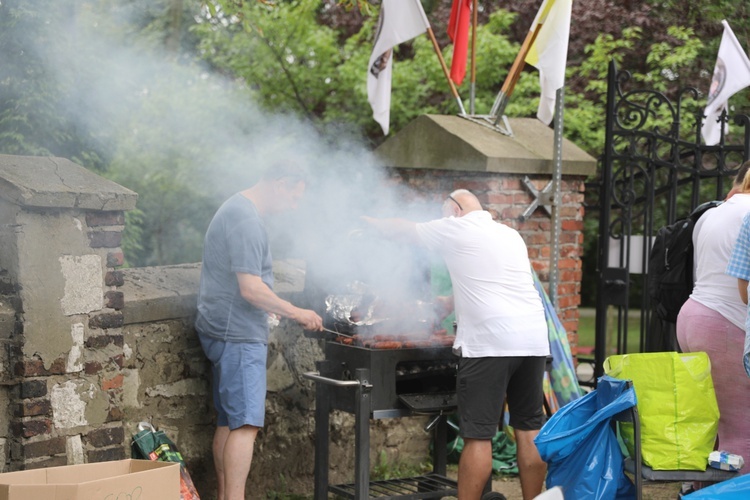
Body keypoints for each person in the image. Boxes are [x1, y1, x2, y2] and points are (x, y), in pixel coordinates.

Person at [362, 189, 549, 500]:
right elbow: (495, 282)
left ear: (455, 209)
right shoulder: (509, 234)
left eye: (443, 213)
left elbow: (401, 229)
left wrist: (365, 221)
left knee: (478, 436)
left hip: (489, 343)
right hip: (531, 340)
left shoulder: (456, 227)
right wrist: (450, 302)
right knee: (529, 428)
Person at [195, 163, 323, 500]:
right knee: (246, 425)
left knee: (230, 421)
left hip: (224, 327)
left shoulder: (237, 208)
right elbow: (250, 288)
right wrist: (296, 311)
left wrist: (270, 308)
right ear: (280, 184)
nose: (294, 205)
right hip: (236, 333)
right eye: (294, 197)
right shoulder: (246, 220)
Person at [677, 160, 750, 483]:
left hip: (694, 315)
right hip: (728, 323)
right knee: (741, 429)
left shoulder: (712, 212)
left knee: (713, 422)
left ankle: (698, 489)